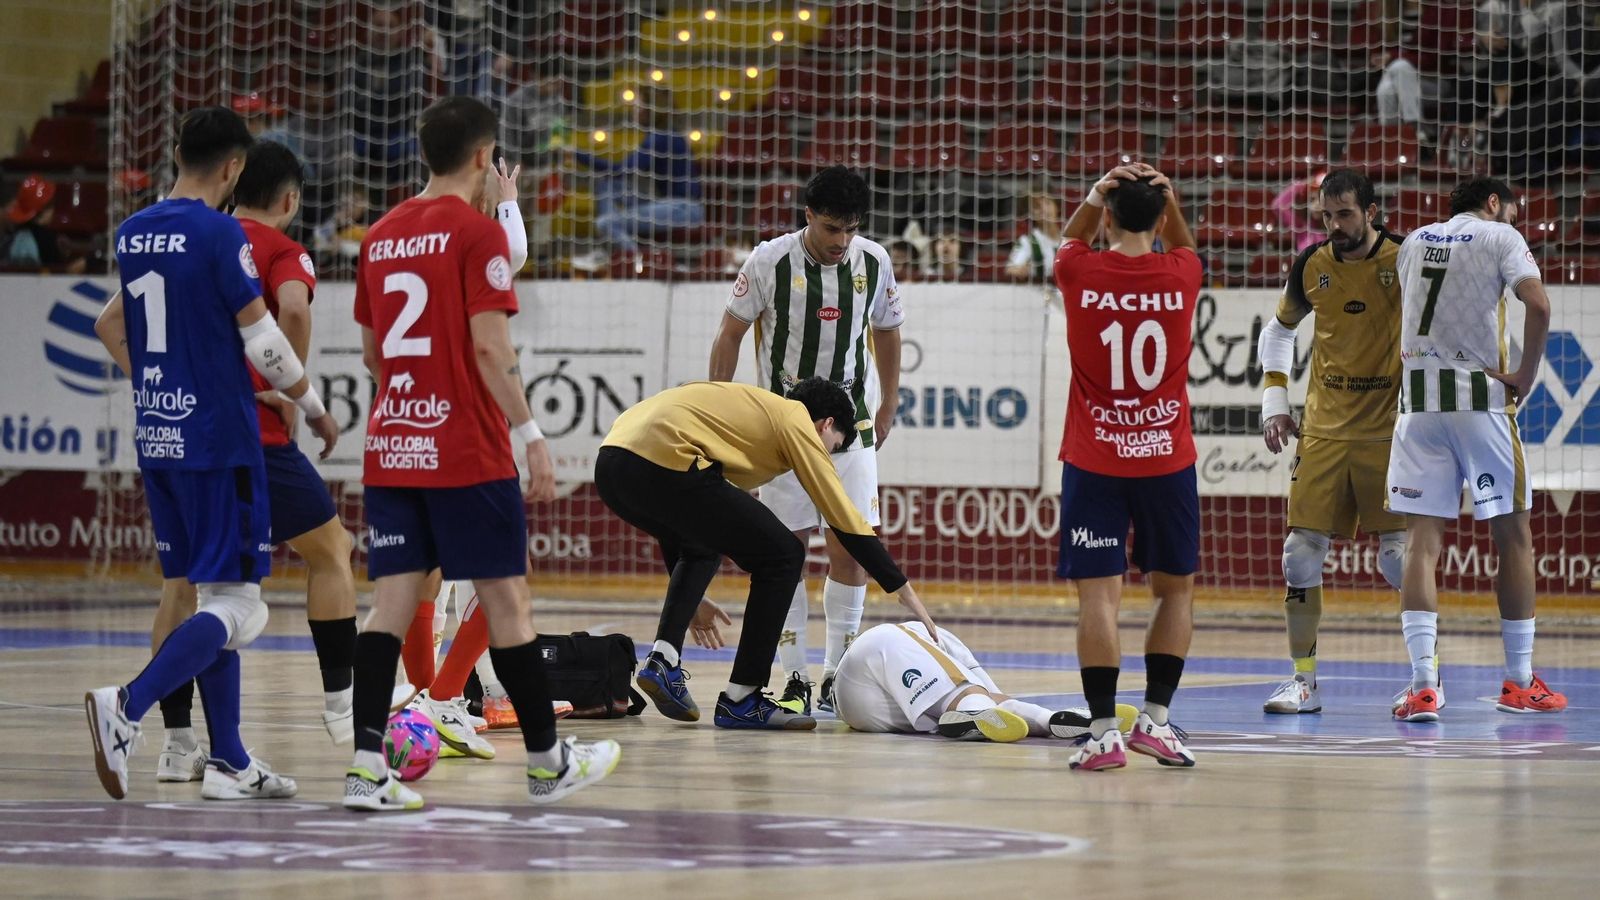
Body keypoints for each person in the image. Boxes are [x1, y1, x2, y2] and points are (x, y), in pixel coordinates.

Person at [345, 95, 619, 811]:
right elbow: (493, 348)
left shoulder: (379, 235)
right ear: (480, 158)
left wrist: (413, 397)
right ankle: (546, 763)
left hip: (393, 443)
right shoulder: (476, 235)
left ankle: (365, 768)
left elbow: (374, 354)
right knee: (509, 606)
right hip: (465, 448)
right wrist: (531, 436)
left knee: (389, 609)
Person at [85, 106, 339, 801]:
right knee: (242, 608)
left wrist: (165, 382)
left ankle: (227, 760)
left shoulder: (134, 232)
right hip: (220, 443)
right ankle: (127, 705)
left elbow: (112, 325)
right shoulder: (221, 231)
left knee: (212, 590)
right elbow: (264, 341)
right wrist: (313, 407)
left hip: (160, 438)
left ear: (178, 155)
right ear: (233, 168)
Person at [143, 141, 361, 787]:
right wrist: (291, 393)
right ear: (291, 199)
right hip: (251, 437)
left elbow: (112, 326)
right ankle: (342, 706)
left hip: (179, 429)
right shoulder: (280, 250)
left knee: (183, 587)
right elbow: (291, 308)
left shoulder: (193, 236)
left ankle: (180, 744)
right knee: (331, 549)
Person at [596, 378, 938, 730]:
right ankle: (742, 697)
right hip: (664, 463)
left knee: (702, 544)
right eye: (832, 447)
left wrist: (695, 599)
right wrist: (900, 587)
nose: (827, 455)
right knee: (784, 555)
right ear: (827, 424)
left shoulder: (749, 413)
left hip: (612, 463)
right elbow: (843, 516)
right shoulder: (795, 418)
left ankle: (663, 659)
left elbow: (681, 525)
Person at [706, 166, 903, 716]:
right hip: (782, 433)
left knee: (851, 552)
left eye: (851, 229)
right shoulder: (769, 260)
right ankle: (793, 676)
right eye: (832, 229)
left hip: (853, 430)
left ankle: (836, 673)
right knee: (785, 552)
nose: (842, 241)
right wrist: (716, 410)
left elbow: (887, 330)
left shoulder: (874, 261)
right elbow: (730, 334)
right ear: (808, 216)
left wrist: (888, 403)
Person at [1388, 176, 1567, 722]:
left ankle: (1422, 686)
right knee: (1513, 536)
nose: (1514, 221)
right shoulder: (1499, 237)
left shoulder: (1415, 241)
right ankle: (1518, 682)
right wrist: (1526, 375)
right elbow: (1538, 306)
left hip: (1416, 407)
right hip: (1480, 401)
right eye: (1510, 211)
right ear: (1494, 204)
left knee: (1421, 543)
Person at [1052, 163, 1202, 771]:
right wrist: (1171, 200)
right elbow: (1187, 245)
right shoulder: (1184, 272)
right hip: (1166, 457)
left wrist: (1094, 196)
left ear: (1107, 217)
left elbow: (1068, 241)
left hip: (1095, 459)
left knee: (1099, 600)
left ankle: (1102, 735)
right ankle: (1157, 722)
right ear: (1162, 218)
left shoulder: (1077, 269)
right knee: (1175, 592)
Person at [1257, 169, 1408, 715]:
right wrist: (1275, 403)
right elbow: (1277, 332)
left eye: (1344, 214)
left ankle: (1424, 679)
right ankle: (1302, 681)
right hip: (1322, 431)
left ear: (1372, 212)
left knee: (1399, 560)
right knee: (1299, 555)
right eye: (1326, 215)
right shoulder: (1312, 265)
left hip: (1389, 432)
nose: (1334, 225)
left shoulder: (1406, 258)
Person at [828, 621, 1138, 742]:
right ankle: (1049, 716)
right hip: (877, 649)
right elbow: (990, 694)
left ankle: (1053, 720)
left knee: (982, 705)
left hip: (863, 706)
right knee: (975, 697)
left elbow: (998, 705)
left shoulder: (937, 650)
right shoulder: (930, 639)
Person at [569, 86, 704, 271]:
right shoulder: (661, 135)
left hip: (683, 209)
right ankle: (609, 248)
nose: (634, 111)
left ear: (651, 109)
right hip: (668, 204)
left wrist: (575, 154)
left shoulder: (660, 137)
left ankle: (639, 263)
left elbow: (622, 170)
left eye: (638, 107)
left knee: (605, 223)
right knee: (608, 186)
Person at [4, 174, 88, 273]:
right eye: (51, 205)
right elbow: (56, 274)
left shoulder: (13, 234)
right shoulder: (47, 239)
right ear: (45, 209)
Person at [1006, 192, 1064, 284]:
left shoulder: (1069, 239)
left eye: (1047, 203)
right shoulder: (1027, 241)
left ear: (1057, 207)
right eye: (1037, 207)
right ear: (1031, 214)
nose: (1044, 210)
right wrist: (1019, 270)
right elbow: (1011, 269)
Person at [1271, 173, 1329, 254]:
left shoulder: (1340, 231)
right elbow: (1278, 206)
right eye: (1312, 200)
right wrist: (1301, 185)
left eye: (1321, 200)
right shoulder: (1302, 229)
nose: (1315, 205)